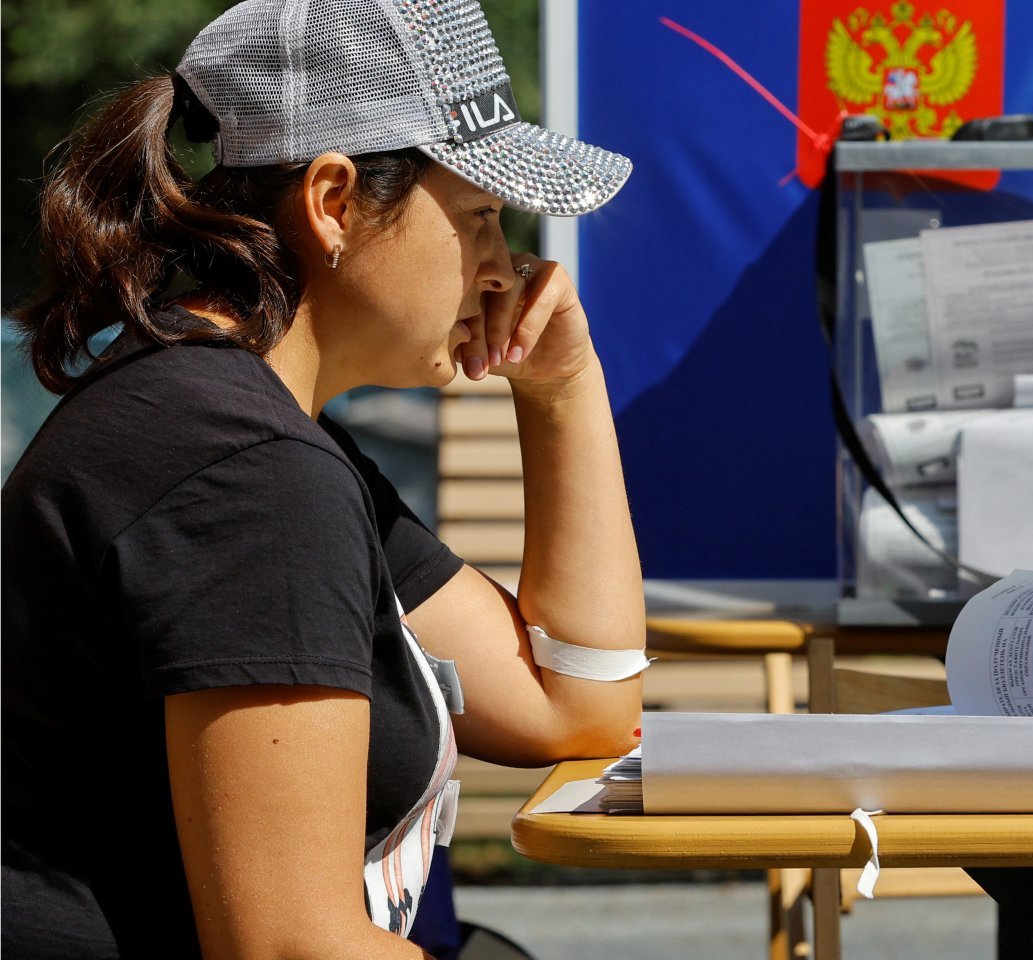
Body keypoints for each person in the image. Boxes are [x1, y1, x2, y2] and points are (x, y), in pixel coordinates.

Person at [1, 1, 647, 956]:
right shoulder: (243, 473)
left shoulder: (244, 426)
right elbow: (294, 947)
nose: (505, 269)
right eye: (478, 216)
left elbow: (578, 711)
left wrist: (563, 389)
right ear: (334, 201)